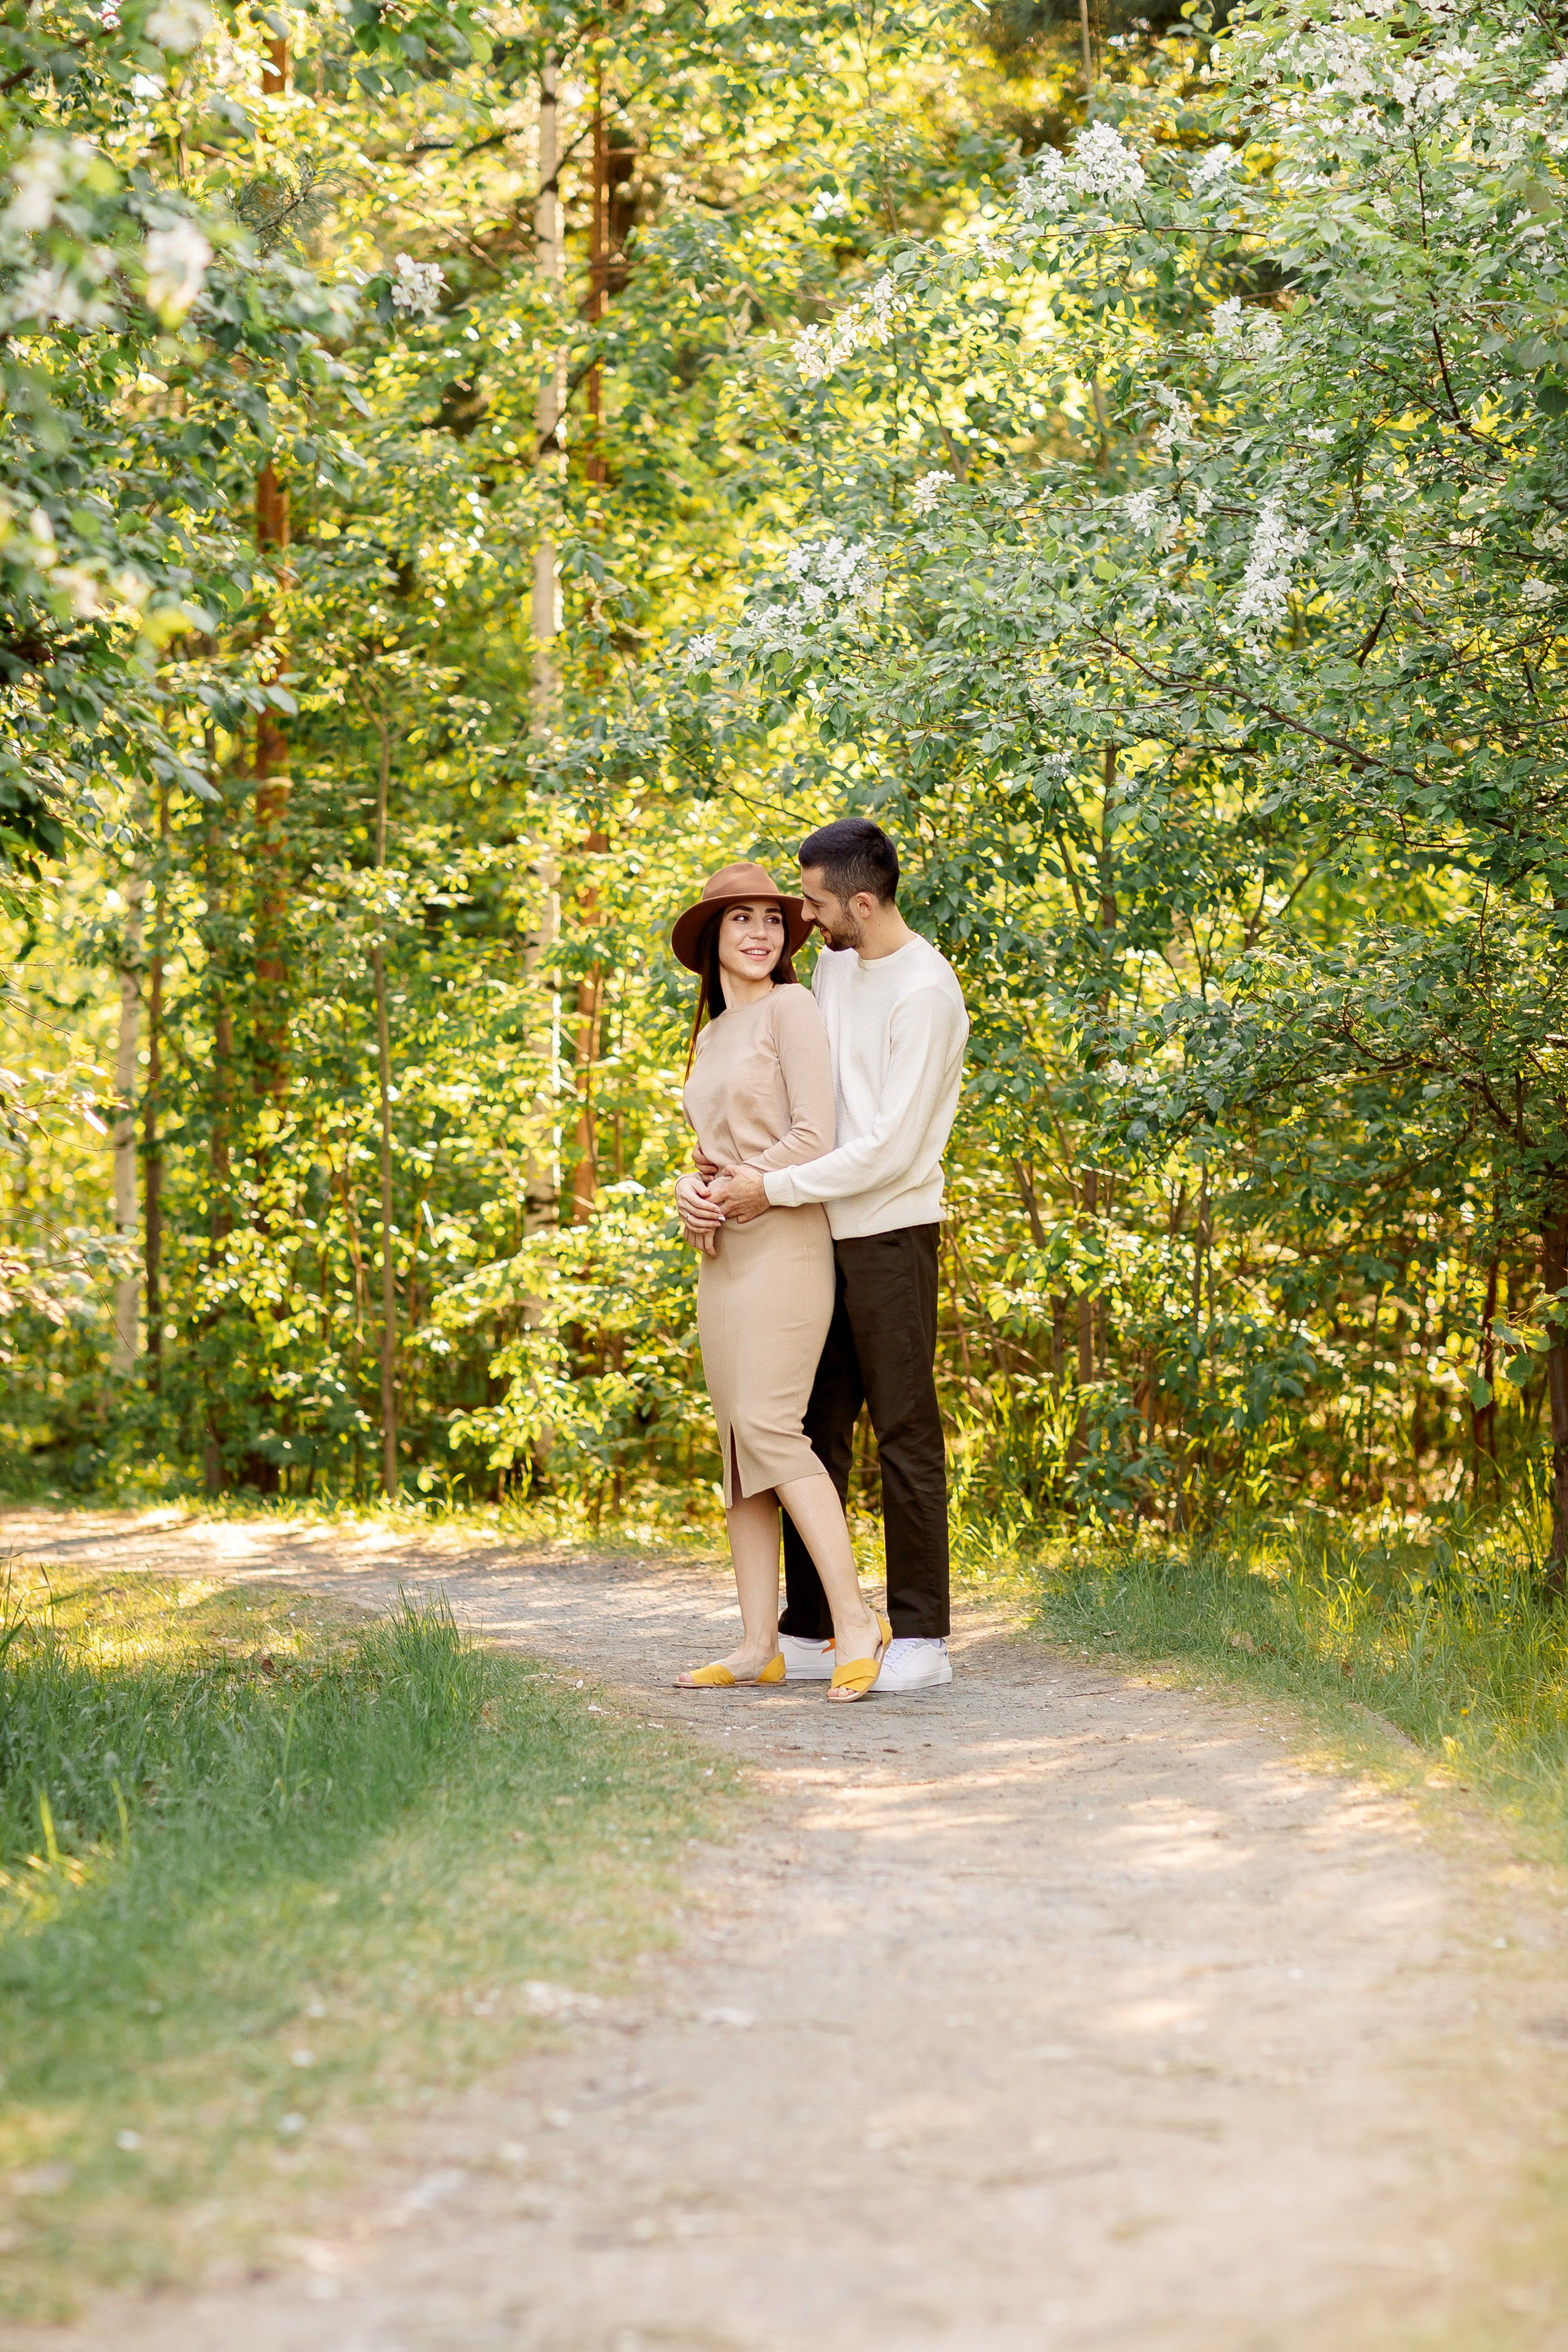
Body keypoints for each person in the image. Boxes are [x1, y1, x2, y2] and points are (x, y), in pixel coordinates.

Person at [677, 820, 968, 1694]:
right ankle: (799, 1627)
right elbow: (756, 1107)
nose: (797, 922)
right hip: (809, 1222)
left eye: (807, 904)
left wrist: (766, 1189)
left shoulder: (925, 991)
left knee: (905, 1428)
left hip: (885, 1226)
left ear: (862, 904)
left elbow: (882, 1147)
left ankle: (918, 1633)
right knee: (812, 1428)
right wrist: (710, 1185)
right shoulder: (835, 964)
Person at [669, 860, 892, 1703]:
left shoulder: (793, 1009)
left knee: (770, 1427)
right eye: (741, 920)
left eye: (773, 917)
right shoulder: (712, 1034)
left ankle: (854, 1618)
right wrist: (690, 1191)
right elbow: (707, 1152)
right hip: (723, 1253)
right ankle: (760, 1640)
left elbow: (815, 1134)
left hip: (787, 1239)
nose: (761, 931)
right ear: (713, 942)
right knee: (737, 1445)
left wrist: (732, 1186)